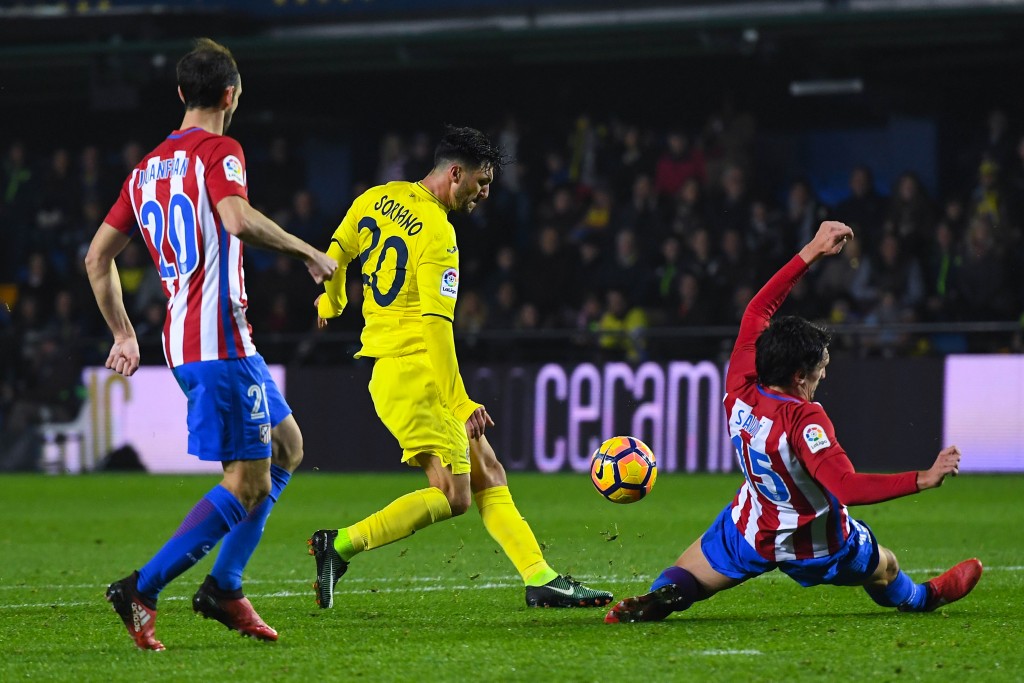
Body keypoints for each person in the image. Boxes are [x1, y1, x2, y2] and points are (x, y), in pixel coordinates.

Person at [84, 38, 337, 650]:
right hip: (216, 339)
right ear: (231, 95)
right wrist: (308, 252)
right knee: (248, 480)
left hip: (196, 338)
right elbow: (235, 218)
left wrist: (123, 332)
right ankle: (142, 587)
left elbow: (97, 258)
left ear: (180, 94)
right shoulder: (221, 149)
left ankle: (224, 586)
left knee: (287, 446)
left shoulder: (144, 169)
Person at [604, 220, 983, 624]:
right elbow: (847, 487)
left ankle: (660, 598)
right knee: (885, 566)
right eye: (821, 368)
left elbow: (758, 309)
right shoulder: (803, 420)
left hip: (753, 525)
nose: (824, 375)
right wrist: (924, 478)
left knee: (686, 577)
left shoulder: (740, 386)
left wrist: (811, 251)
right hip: (816, 543)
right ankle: (923, 598)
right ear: (800, 376)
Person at [309, 125, 612, 610]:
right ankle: (341, 544)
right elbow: (435, 325)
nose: (485, 193)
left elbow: (337, 250)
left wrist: (333, 297)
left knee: (489, 473)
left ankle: (540, 578)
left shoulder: (375, 198)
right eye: (482, 182)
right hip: (416, 374)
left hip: (392, 371)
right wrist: (459, 398)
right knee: (453, 496)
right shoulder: (438, 233)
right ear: (455, 173)